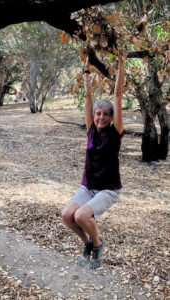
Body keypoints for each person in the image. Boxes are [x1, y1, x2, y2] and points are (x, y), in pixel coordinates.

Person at [62, 49, 127, 269]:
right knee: (67, 215)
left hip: (108, 189)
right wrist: (87, 69)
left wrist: (120, 62)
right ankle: (87, 242)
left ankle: (98, 244)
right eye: (97, 113)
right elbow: (88, 97)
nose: (100, 117)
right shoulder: (91, 129)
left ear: (111, 118)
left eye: (105, 114)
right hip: (88, 186)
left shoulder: (115, 133)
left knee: (81, 216)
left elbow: (118, 95)